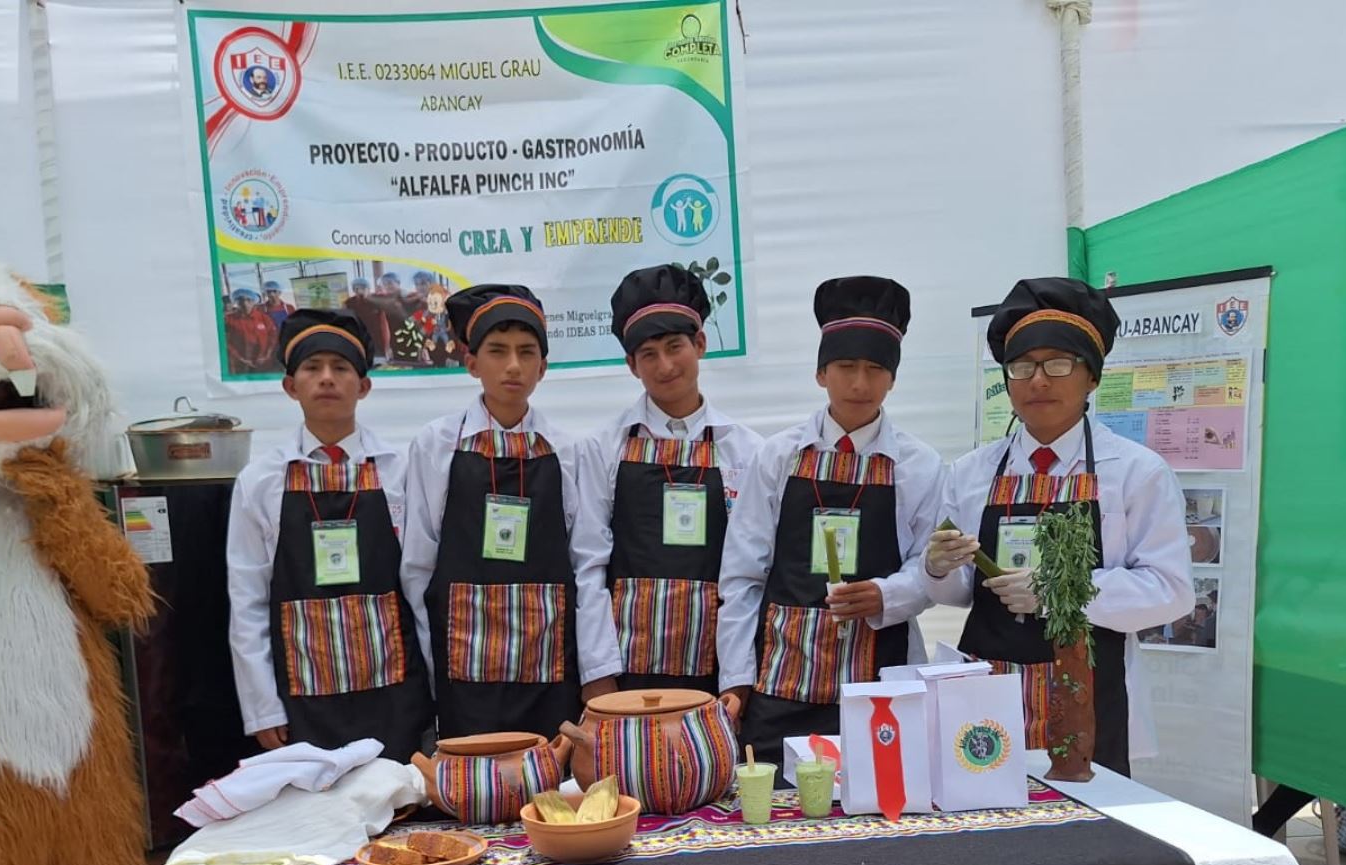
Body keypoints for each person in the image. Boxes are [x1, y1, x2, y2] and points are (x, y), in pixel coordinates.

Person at [925, 277, 1193, 774]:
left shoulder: (1134, 471)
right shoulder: (972, 472)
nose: (1038, 381)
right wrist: (938, 568)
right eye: (1021, 366)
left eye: (1057, 364)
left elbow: (1172, 591)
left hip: (1090, 693)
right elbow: (962, 593)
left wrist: (1056, 592)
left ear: (1091, 376)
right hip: (988, 695)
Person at [718, 276, 945, 768]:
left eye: (875, 368)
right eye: (845, 367)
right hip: (781, 679)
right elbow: (742, 574)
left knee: (883, 813)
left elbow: (932, 571)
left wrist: (888, 595)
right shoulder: (777, 457)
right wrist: (736, 675)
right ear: (821, 374)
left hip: (881, 679)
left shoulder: (920, 464)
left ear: (893, 378)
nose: (860, 383)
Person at [399, 283, 618, 738]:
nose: (513, 366)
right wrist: (428, 673)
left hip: (550, 668)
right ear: (472, 363)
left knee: (553, 794)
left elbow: (589, 566)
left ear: (544, 366)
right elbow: (419, 565)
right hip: (463, 671)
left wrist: (598, 671)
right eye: (497, 351)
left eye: (526, 352)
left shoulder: (570, 451)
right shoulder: (437, 444)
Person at [227, 309, 433, 762]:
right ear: (289, 385)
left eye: (340, 368)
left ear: (363, 387)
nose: (326, 379)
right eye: (312, 368)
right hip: (302, 697)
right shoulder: (261, 480)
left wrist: (438, 691)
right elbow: (248, 601)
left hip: (396, 690)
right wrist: (262, 708)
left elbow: (420, 582)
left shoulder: (398, 470)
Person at [575, 263, 762, 694]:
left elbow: (747, 574)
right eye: (648, 354)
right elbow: (589, 567)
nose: (664, 366)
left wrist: (738, 680)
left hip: (716, 668)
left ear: (699, 344)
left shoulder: (746, 451)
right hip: (625, 671)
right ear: (631, 365)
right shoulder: (604, 448)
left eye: (675, 346)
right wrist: (598, 674)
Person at [223, 288, 277, 373]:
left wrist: (266, 355)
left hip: (263, 363)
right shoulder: (228, 319)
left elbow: (273, 337)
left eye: (249, 300)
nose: (245, 303)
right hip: (241, 365)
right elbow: (224, 341)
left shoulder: (264, 318)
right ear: (236, 302)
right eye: (241, 300)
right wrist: (241, 359)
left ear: (254, 302)